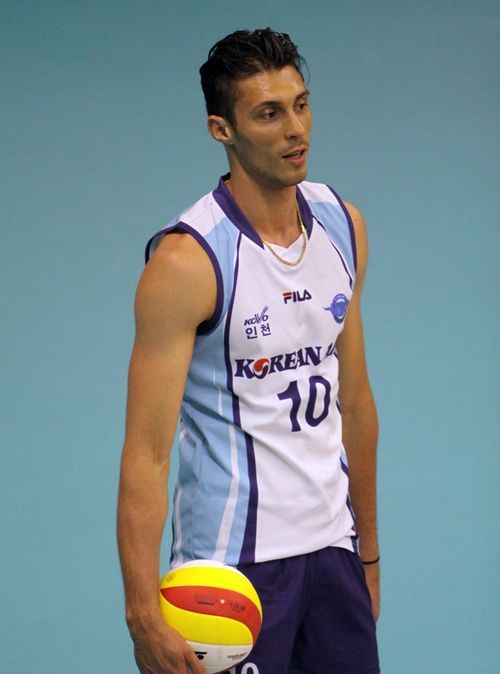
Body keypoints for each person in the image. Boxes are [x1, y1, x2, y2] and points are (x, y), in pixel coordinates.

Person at [117, 28, 380, 674]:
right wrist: (142, 613)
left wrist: (368, 554)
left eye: (301, 105)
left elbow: (354, 402)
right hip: (231, 574)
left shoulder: (343, 226)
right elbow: (147, 453)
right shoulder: (187, 262)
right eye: (268, 113)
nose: (296, 130)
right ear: (222, 130)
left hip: (334, 554)